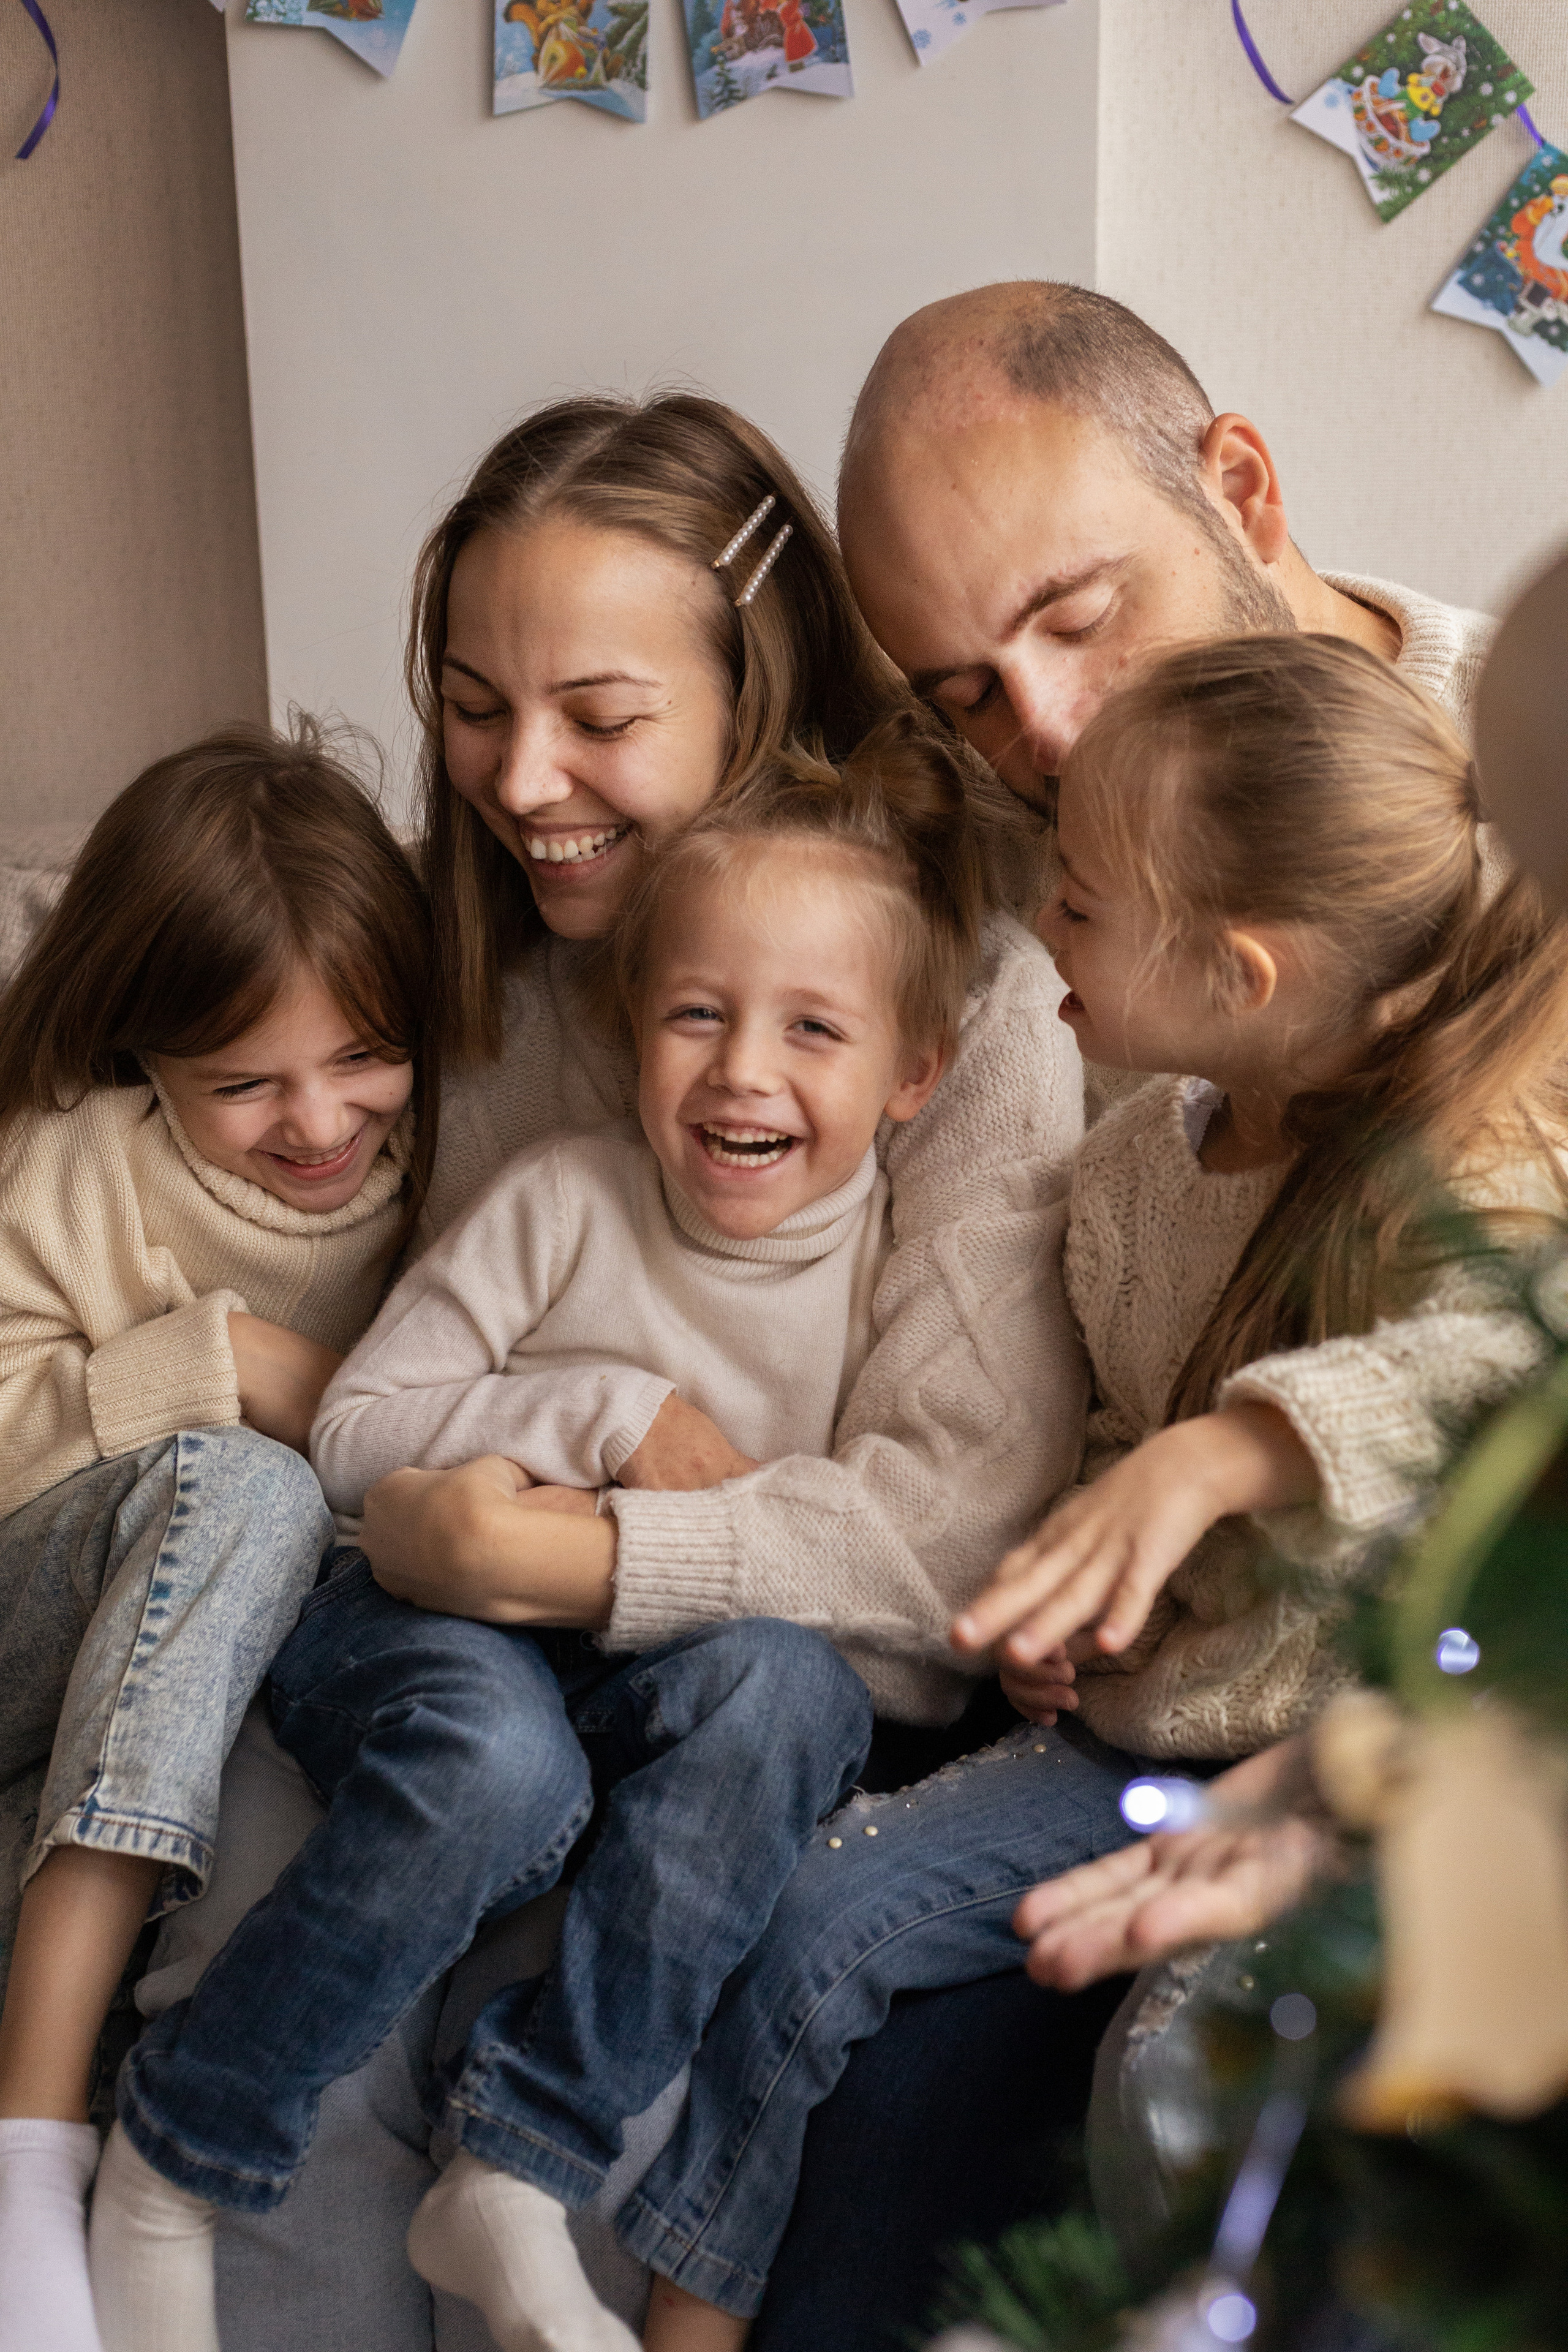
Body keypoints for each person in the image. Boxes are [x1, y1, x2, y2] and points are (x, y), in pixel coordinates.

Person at [126, 394, 1090, 2351]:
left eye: (598, 713)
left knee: (640, 1891)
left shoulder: (957, 1014)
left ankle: (508, 2183)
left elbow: (946, 1540)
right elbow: (403, 1383)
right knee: (326, 1859)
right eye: (473, 704)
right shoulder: (483, 974)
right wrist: (355, 1442)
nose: (520, 775)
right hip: (439, 1590)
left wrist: (579, 1559)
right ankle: (186, 2206)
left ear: (757, 686)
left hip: (705, 1644)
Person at [606, 633, 1568, 2345]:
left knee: (1181, 2053)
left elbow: (1486, 1373)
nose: (1041, 926)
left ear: (1243, 973)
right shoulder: (1126, 1175)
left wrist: (1234, 1448)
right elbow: (1128, 1434)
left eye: (1084, 904)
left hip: (1335, 1773)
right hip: (1122, 1741)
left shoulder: (1470, 1177)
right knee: (813, 1916)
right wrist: (1084, 1586)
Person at [0, 727, 432, 2352]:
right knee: (243, 1484)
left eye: (365, 1058)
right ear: (148, 1051)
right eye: (244, 1083)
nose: (317, 1121)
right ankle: (30, 2156)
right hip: (26, 1609)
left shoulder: (448, 1179)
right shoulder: (70, 1172)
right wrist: (235, 1368)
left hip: (210, 1667)